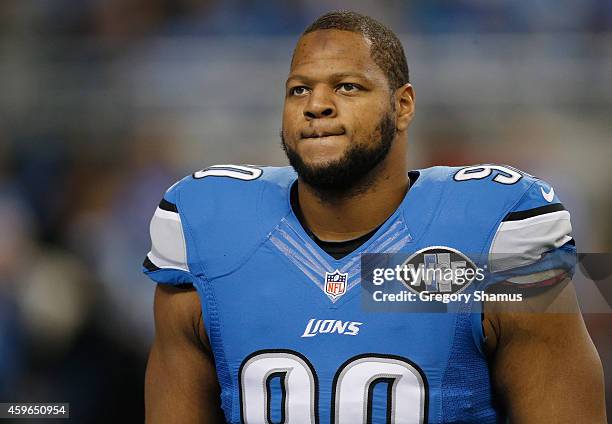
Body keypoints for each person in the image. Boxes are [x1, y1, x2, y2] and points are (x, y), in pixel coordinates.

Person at [142, 11, 606, 423]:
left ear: (402, 105)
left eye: (348, 86)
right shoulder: (209, 228)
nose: (316, 105)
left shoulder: (496, 228)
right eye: (299, 89)